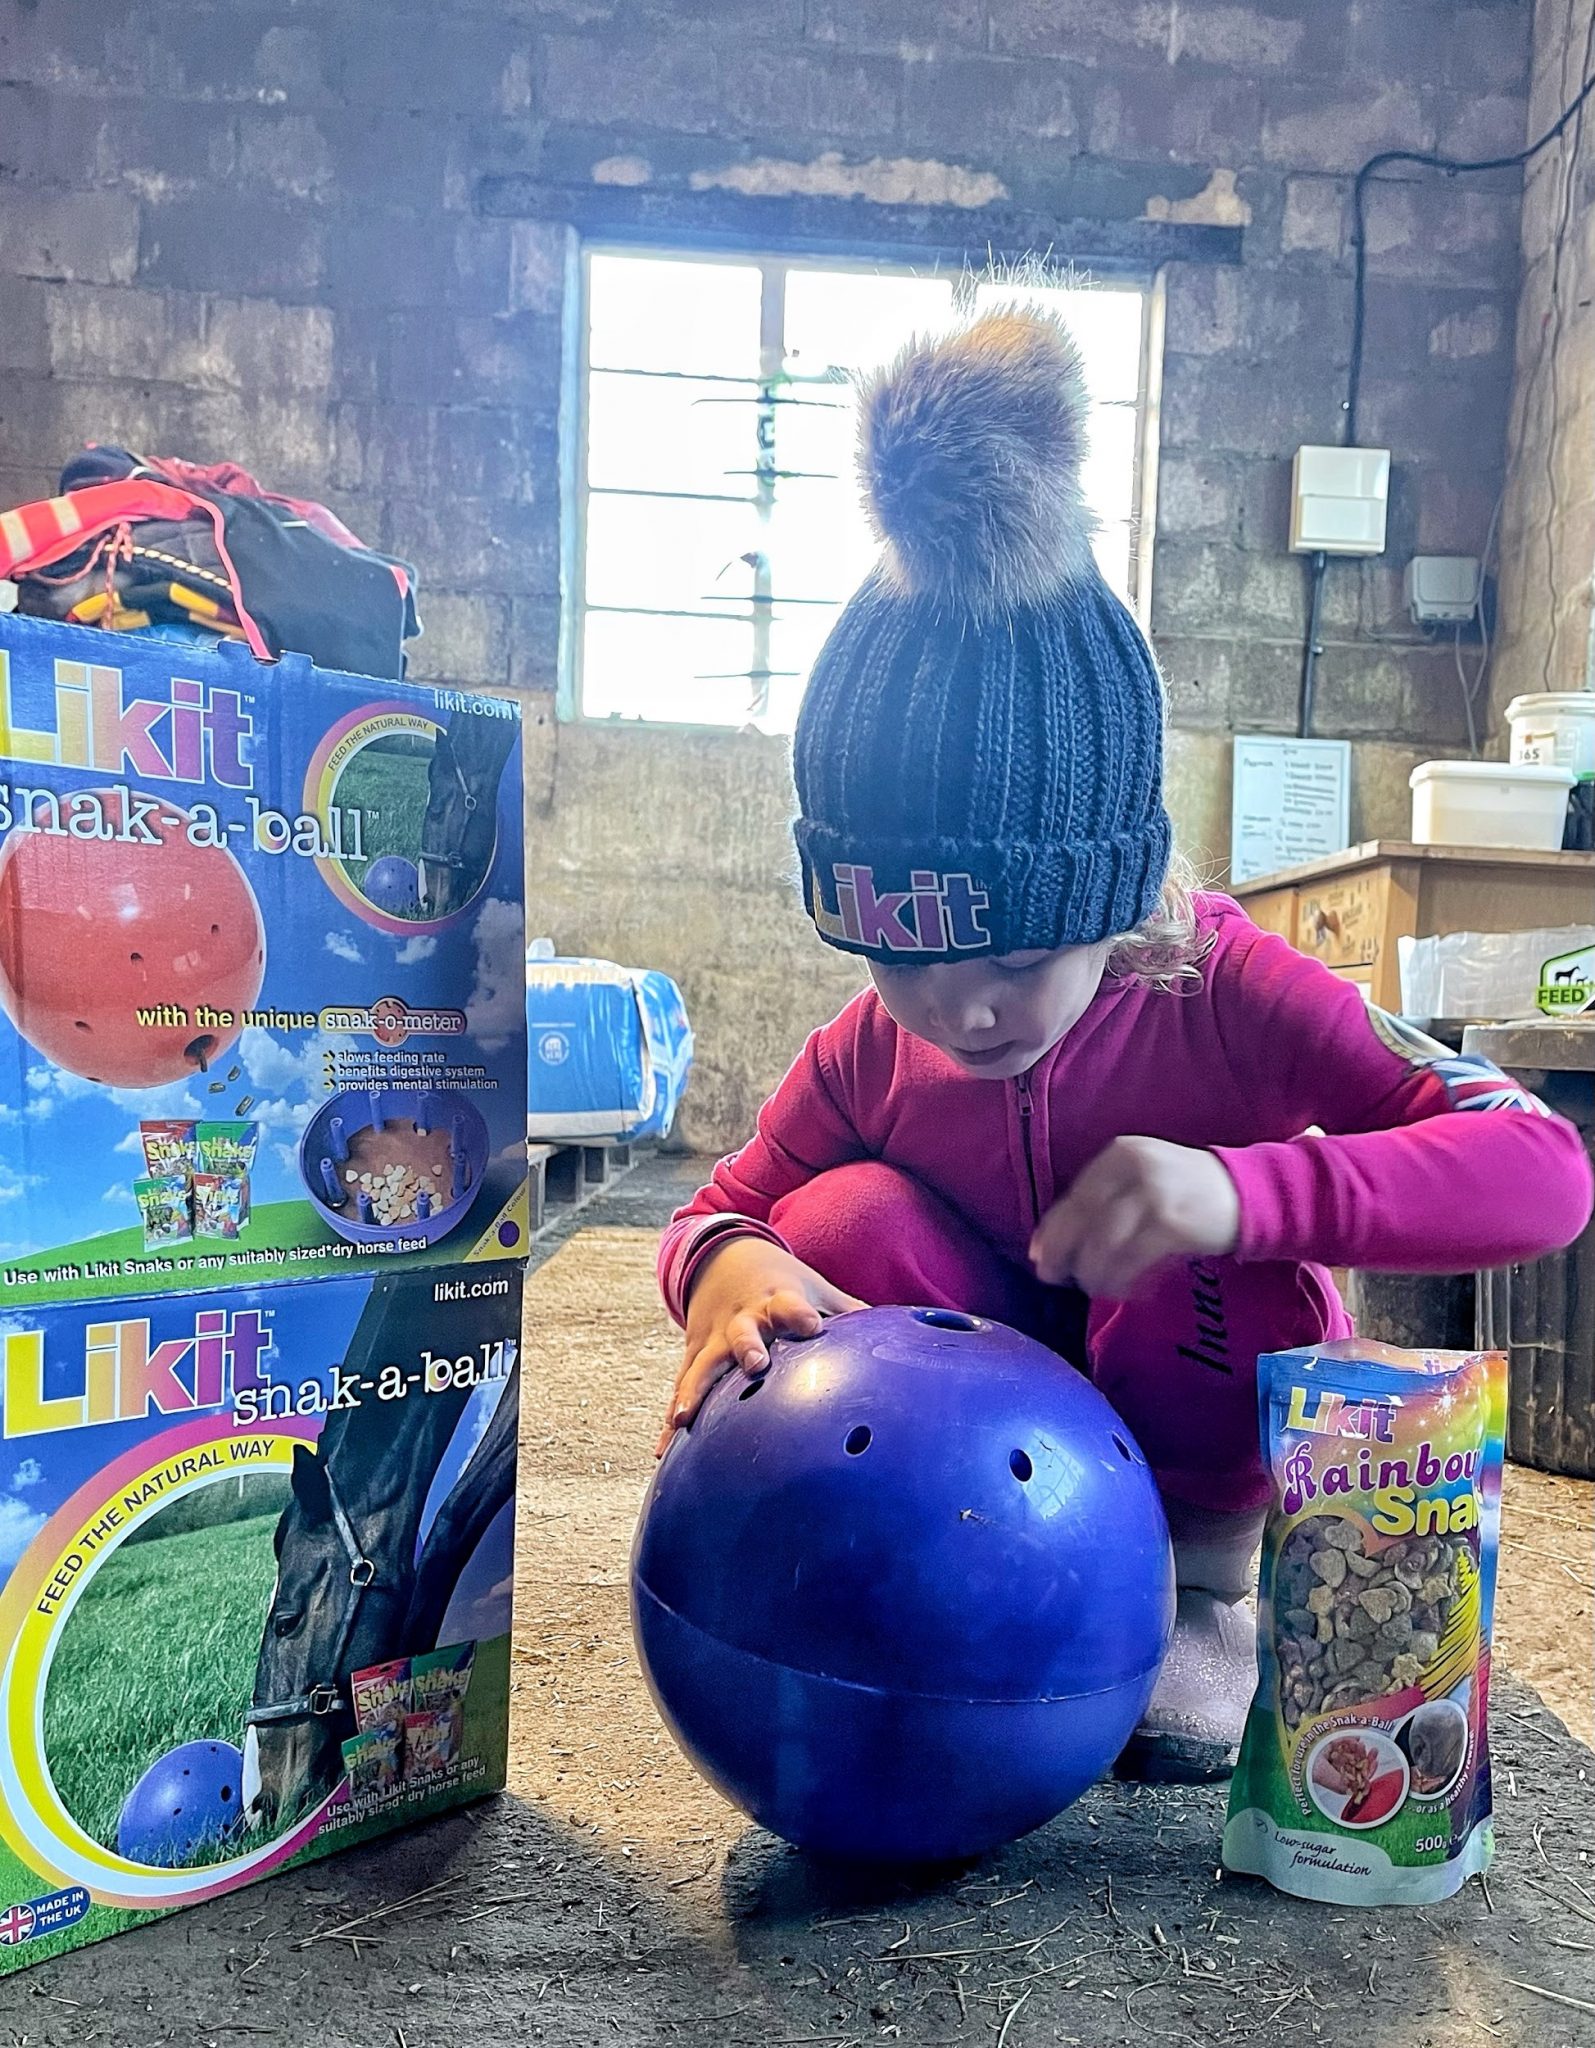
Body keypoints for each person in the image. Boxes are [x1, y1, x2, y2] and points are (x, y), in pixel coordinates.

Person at [653, 307, 1594, 1780]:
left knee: (1189, 1251)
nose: (961, 1014)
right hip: (988, 1469)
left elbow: (1542, 1171)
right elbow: (713, 1211)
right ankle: (954, 1574)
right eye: (904, 963)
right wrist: (730, 1271)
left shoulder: (1220, 985)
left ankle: (1201, 1595)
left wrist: (1242, 1192)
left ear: (1112, 900)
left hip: (1195, 1439)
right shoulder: (873, 1053)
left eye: (1018, 963)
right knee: (835, 1219)